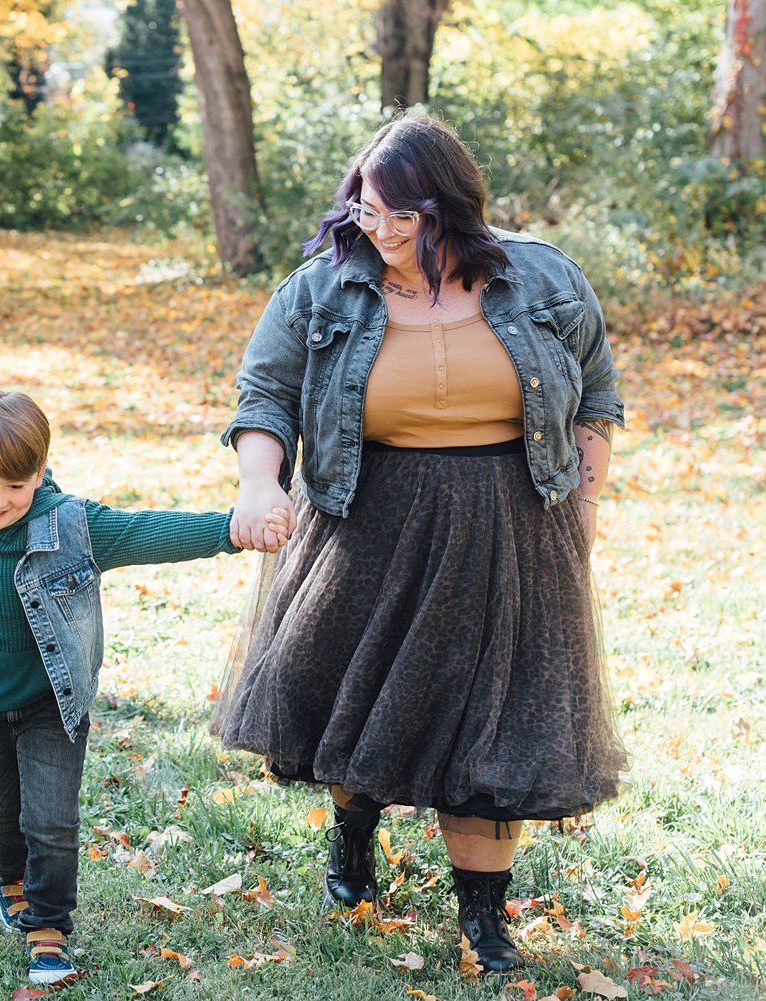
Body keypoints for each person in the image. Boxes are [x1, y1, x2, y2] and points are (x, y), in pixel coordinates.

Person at [213, 113, 628, 974]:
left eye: (404, 216)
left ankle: (484, 914)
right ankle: (352, 844)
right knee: (356, 692)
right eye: (368, 210)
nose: (383, 231)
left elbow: (595, 389)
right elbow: (265, 393)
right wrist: (260, 481)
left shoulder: (542, 276)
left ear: (453, 208)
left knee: (497, 716)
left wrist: (586, 499)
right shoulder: (324, 286)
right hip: (365, 511)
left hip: (513, 519)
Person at [0, 391, 248, 985]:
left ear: (40, 472)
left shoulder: (72, 525)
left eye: (15, 486)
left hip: (51, 703)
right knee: (0, 813)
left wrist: (231, 529)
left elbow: (149, 532)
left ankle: (49, 929)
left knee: (50, 821)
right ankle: (11, 880)